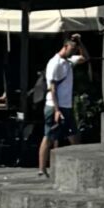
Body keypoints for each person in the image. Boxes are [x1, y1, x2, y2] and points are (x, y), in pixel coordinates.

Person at [37, 32, 87, 179]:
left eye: (74, 50)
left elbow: (85, 58)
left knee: (73, 137)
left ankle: (78, 167)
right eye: (72, 49)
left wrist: (80, 42)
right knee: (49, 136)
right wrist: (57, 110)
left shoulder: (68, 61)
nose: (73, 52)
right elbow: (52, 88)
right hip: (54, 106)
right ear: (65, 47)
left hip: (66, 106)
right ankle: (42, 169)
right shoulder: (55, 63)